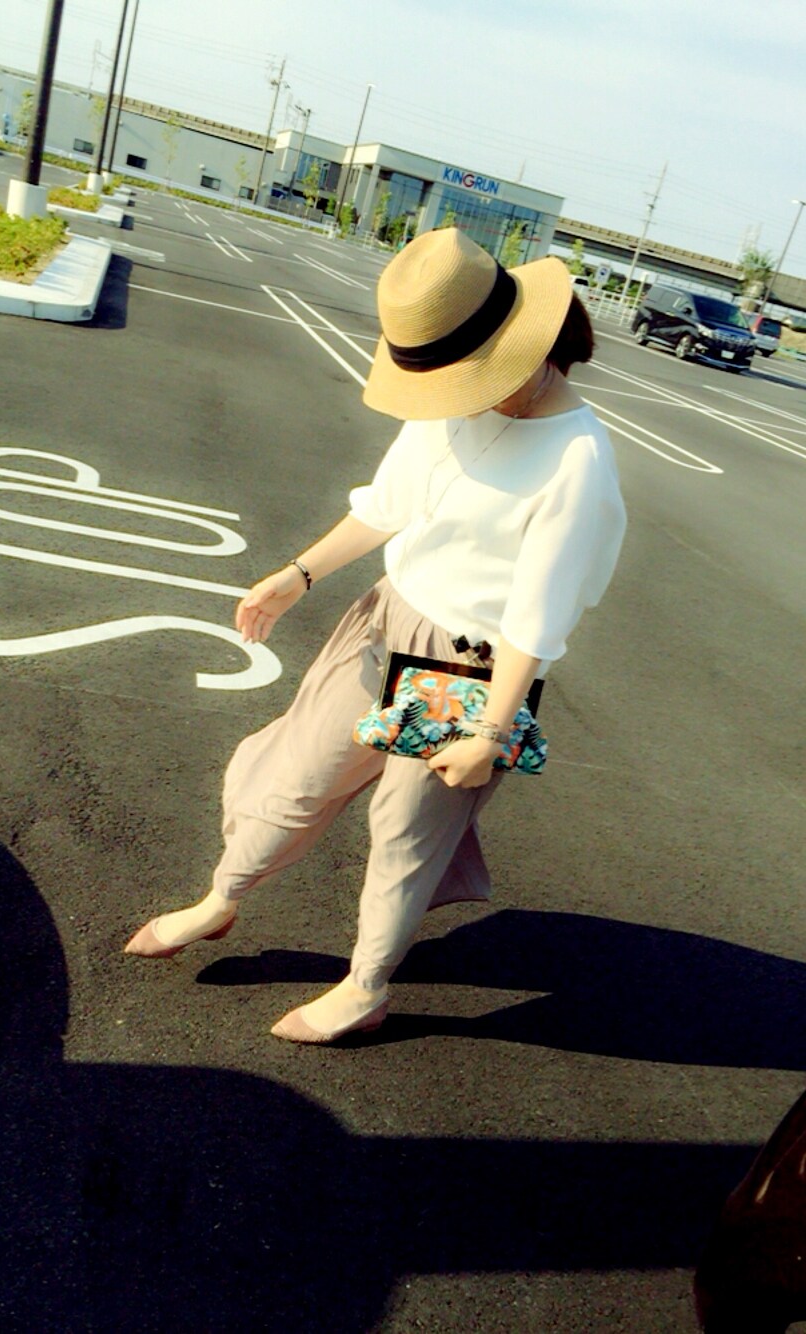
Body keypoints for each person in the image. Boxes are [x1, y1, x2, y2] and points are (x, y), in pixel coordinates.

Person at [125, 228, 627, 1044]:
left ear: (532, 345)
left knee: (405, 829)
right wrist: (298, 574)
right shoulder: (448, 400)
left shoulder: (578, 461)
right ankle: (221, 899)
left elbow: (539, 616)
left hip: (471, 670)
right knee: (299, 771)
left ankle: (365, 987)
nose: (465, 395)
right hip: (388, 617)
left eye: (479, 375)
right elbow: (388, 505)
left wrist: (490, 732)